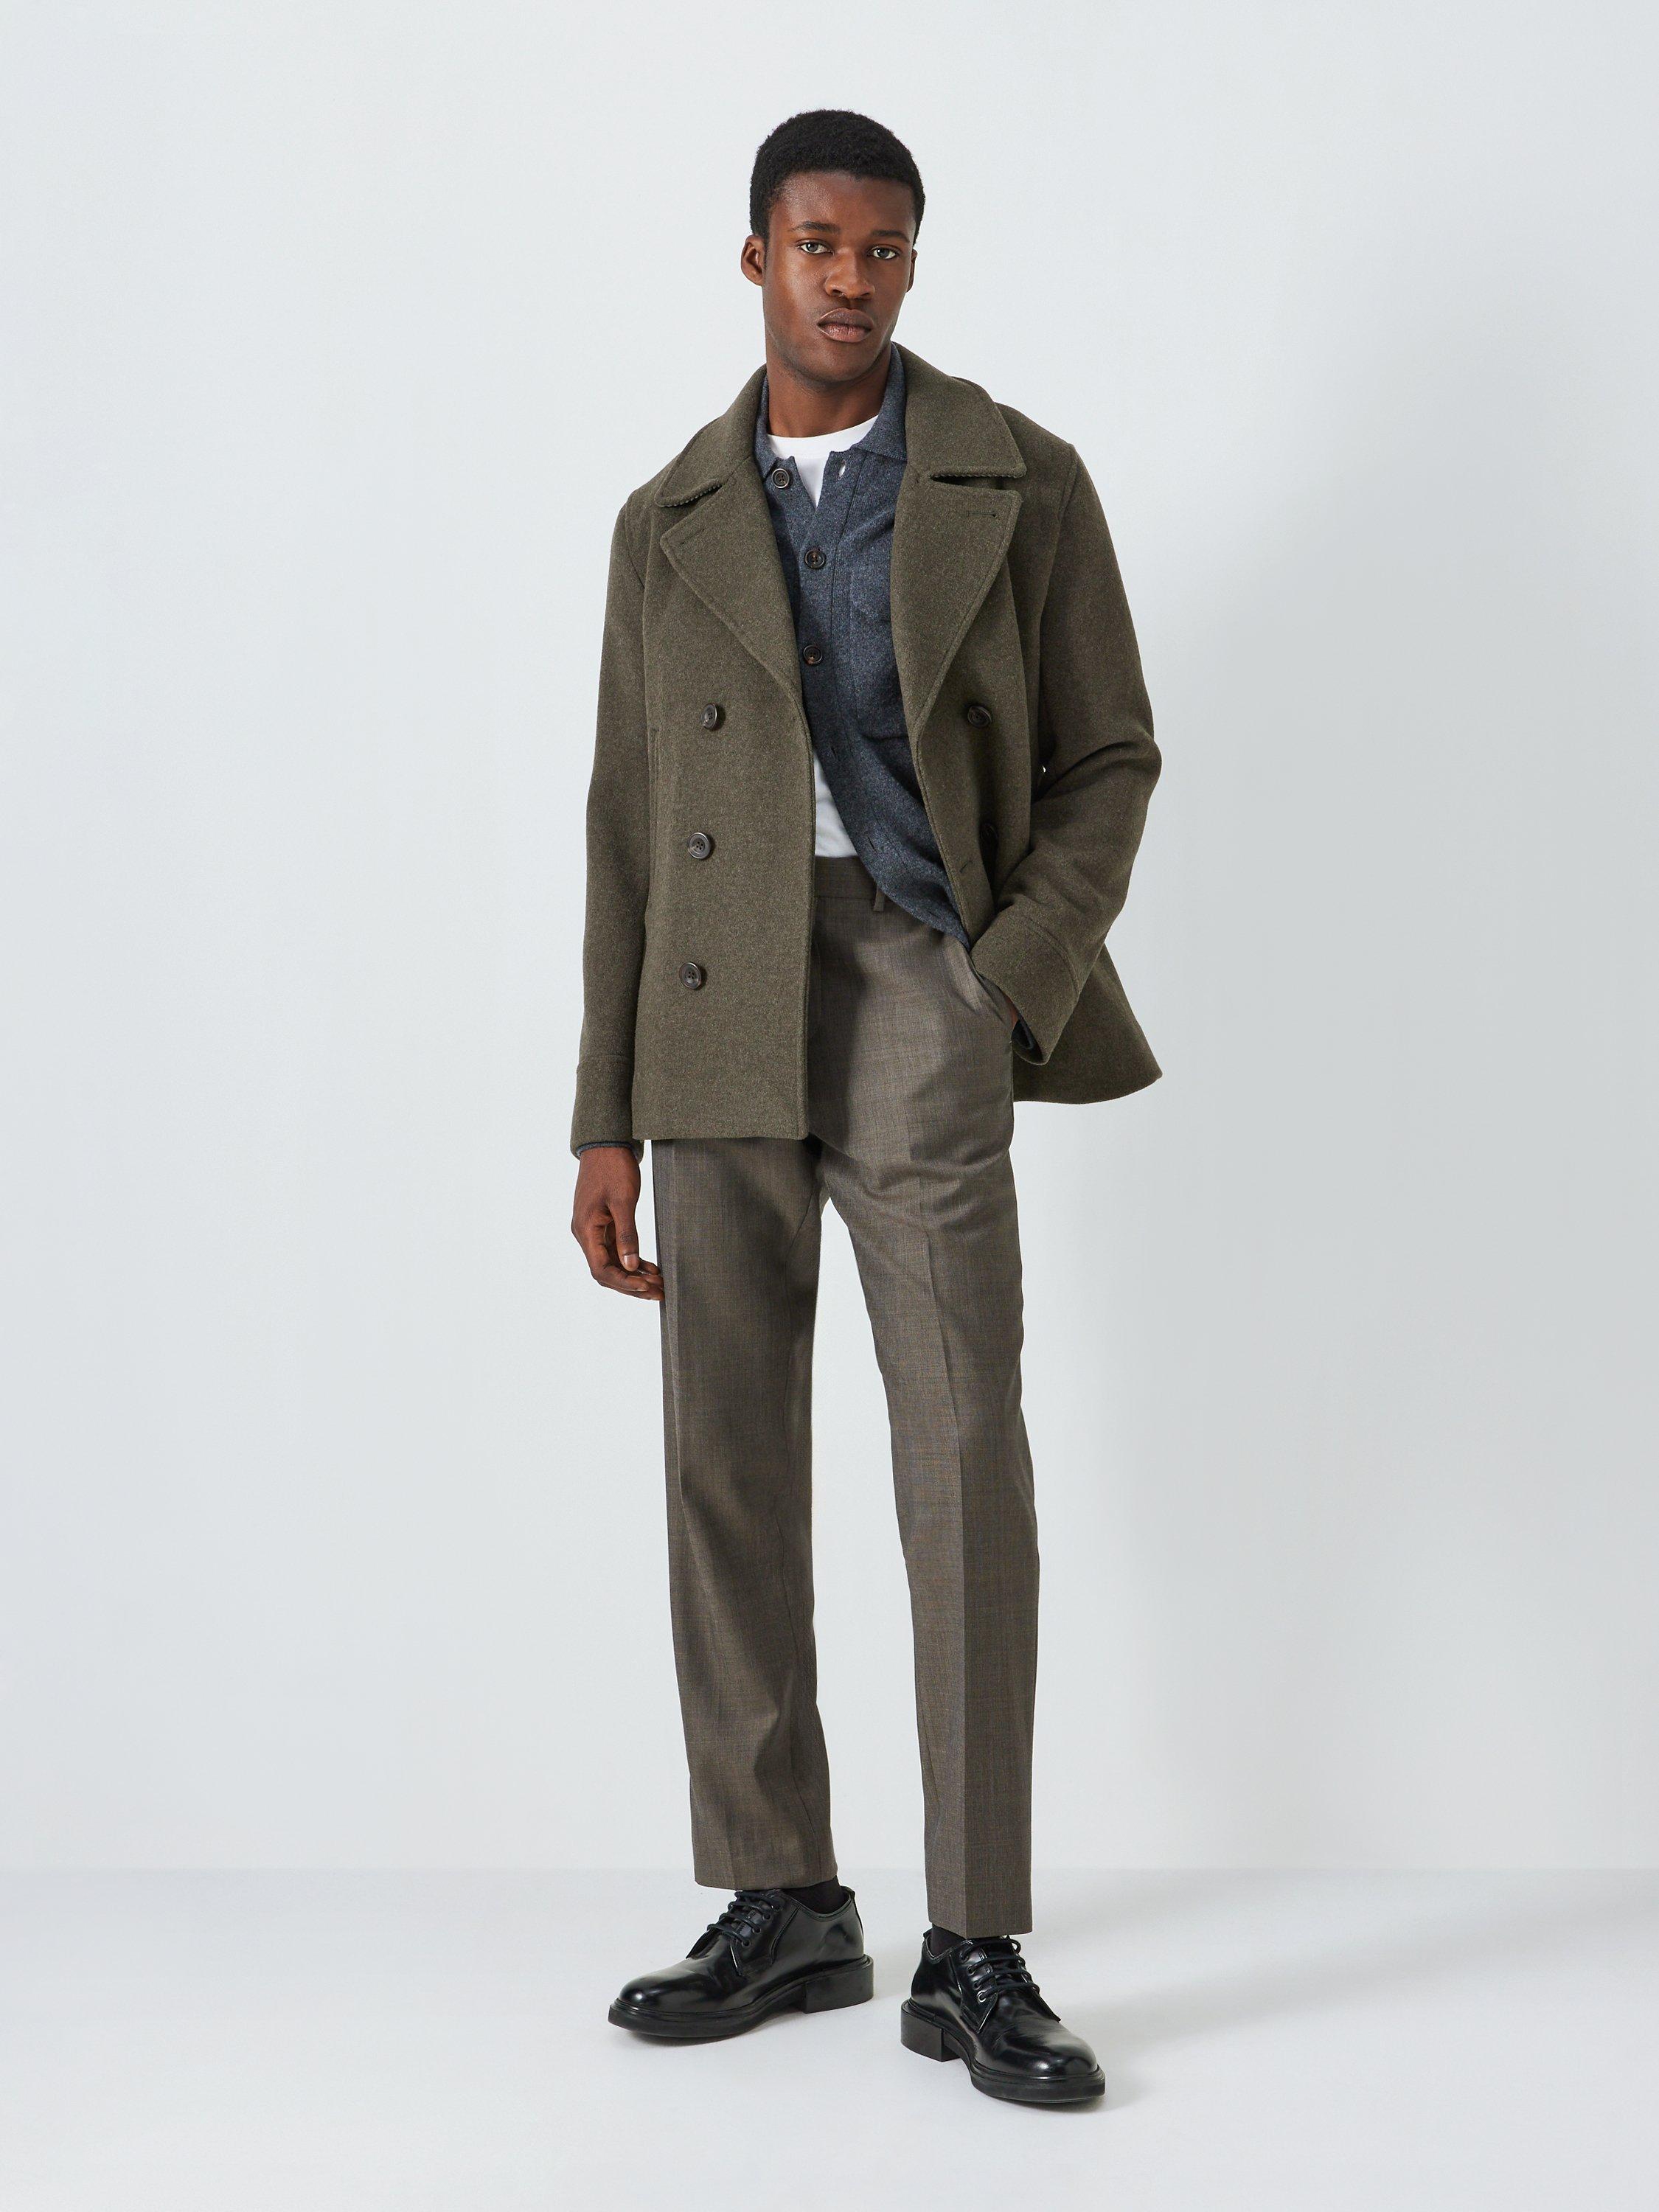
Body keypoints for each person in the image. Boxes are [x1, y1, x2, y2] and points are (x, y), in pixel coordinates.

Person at [570, 108, 1159, 2107]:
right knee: (725, 1458)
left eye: (882, 248)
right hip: (710, 999)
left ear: (912, 261)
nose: (850, 277)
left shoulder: (1017, 476)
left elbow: (1109, 754)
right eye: (817, 244)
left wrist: (1007, 974)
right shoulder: (667, 515)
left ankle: (973, 1940)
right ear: (757, 257)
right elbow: (623, 822)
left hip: (923, 979)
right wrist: (599, 1113)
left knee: (960, 1454)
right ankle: (783, 1896)